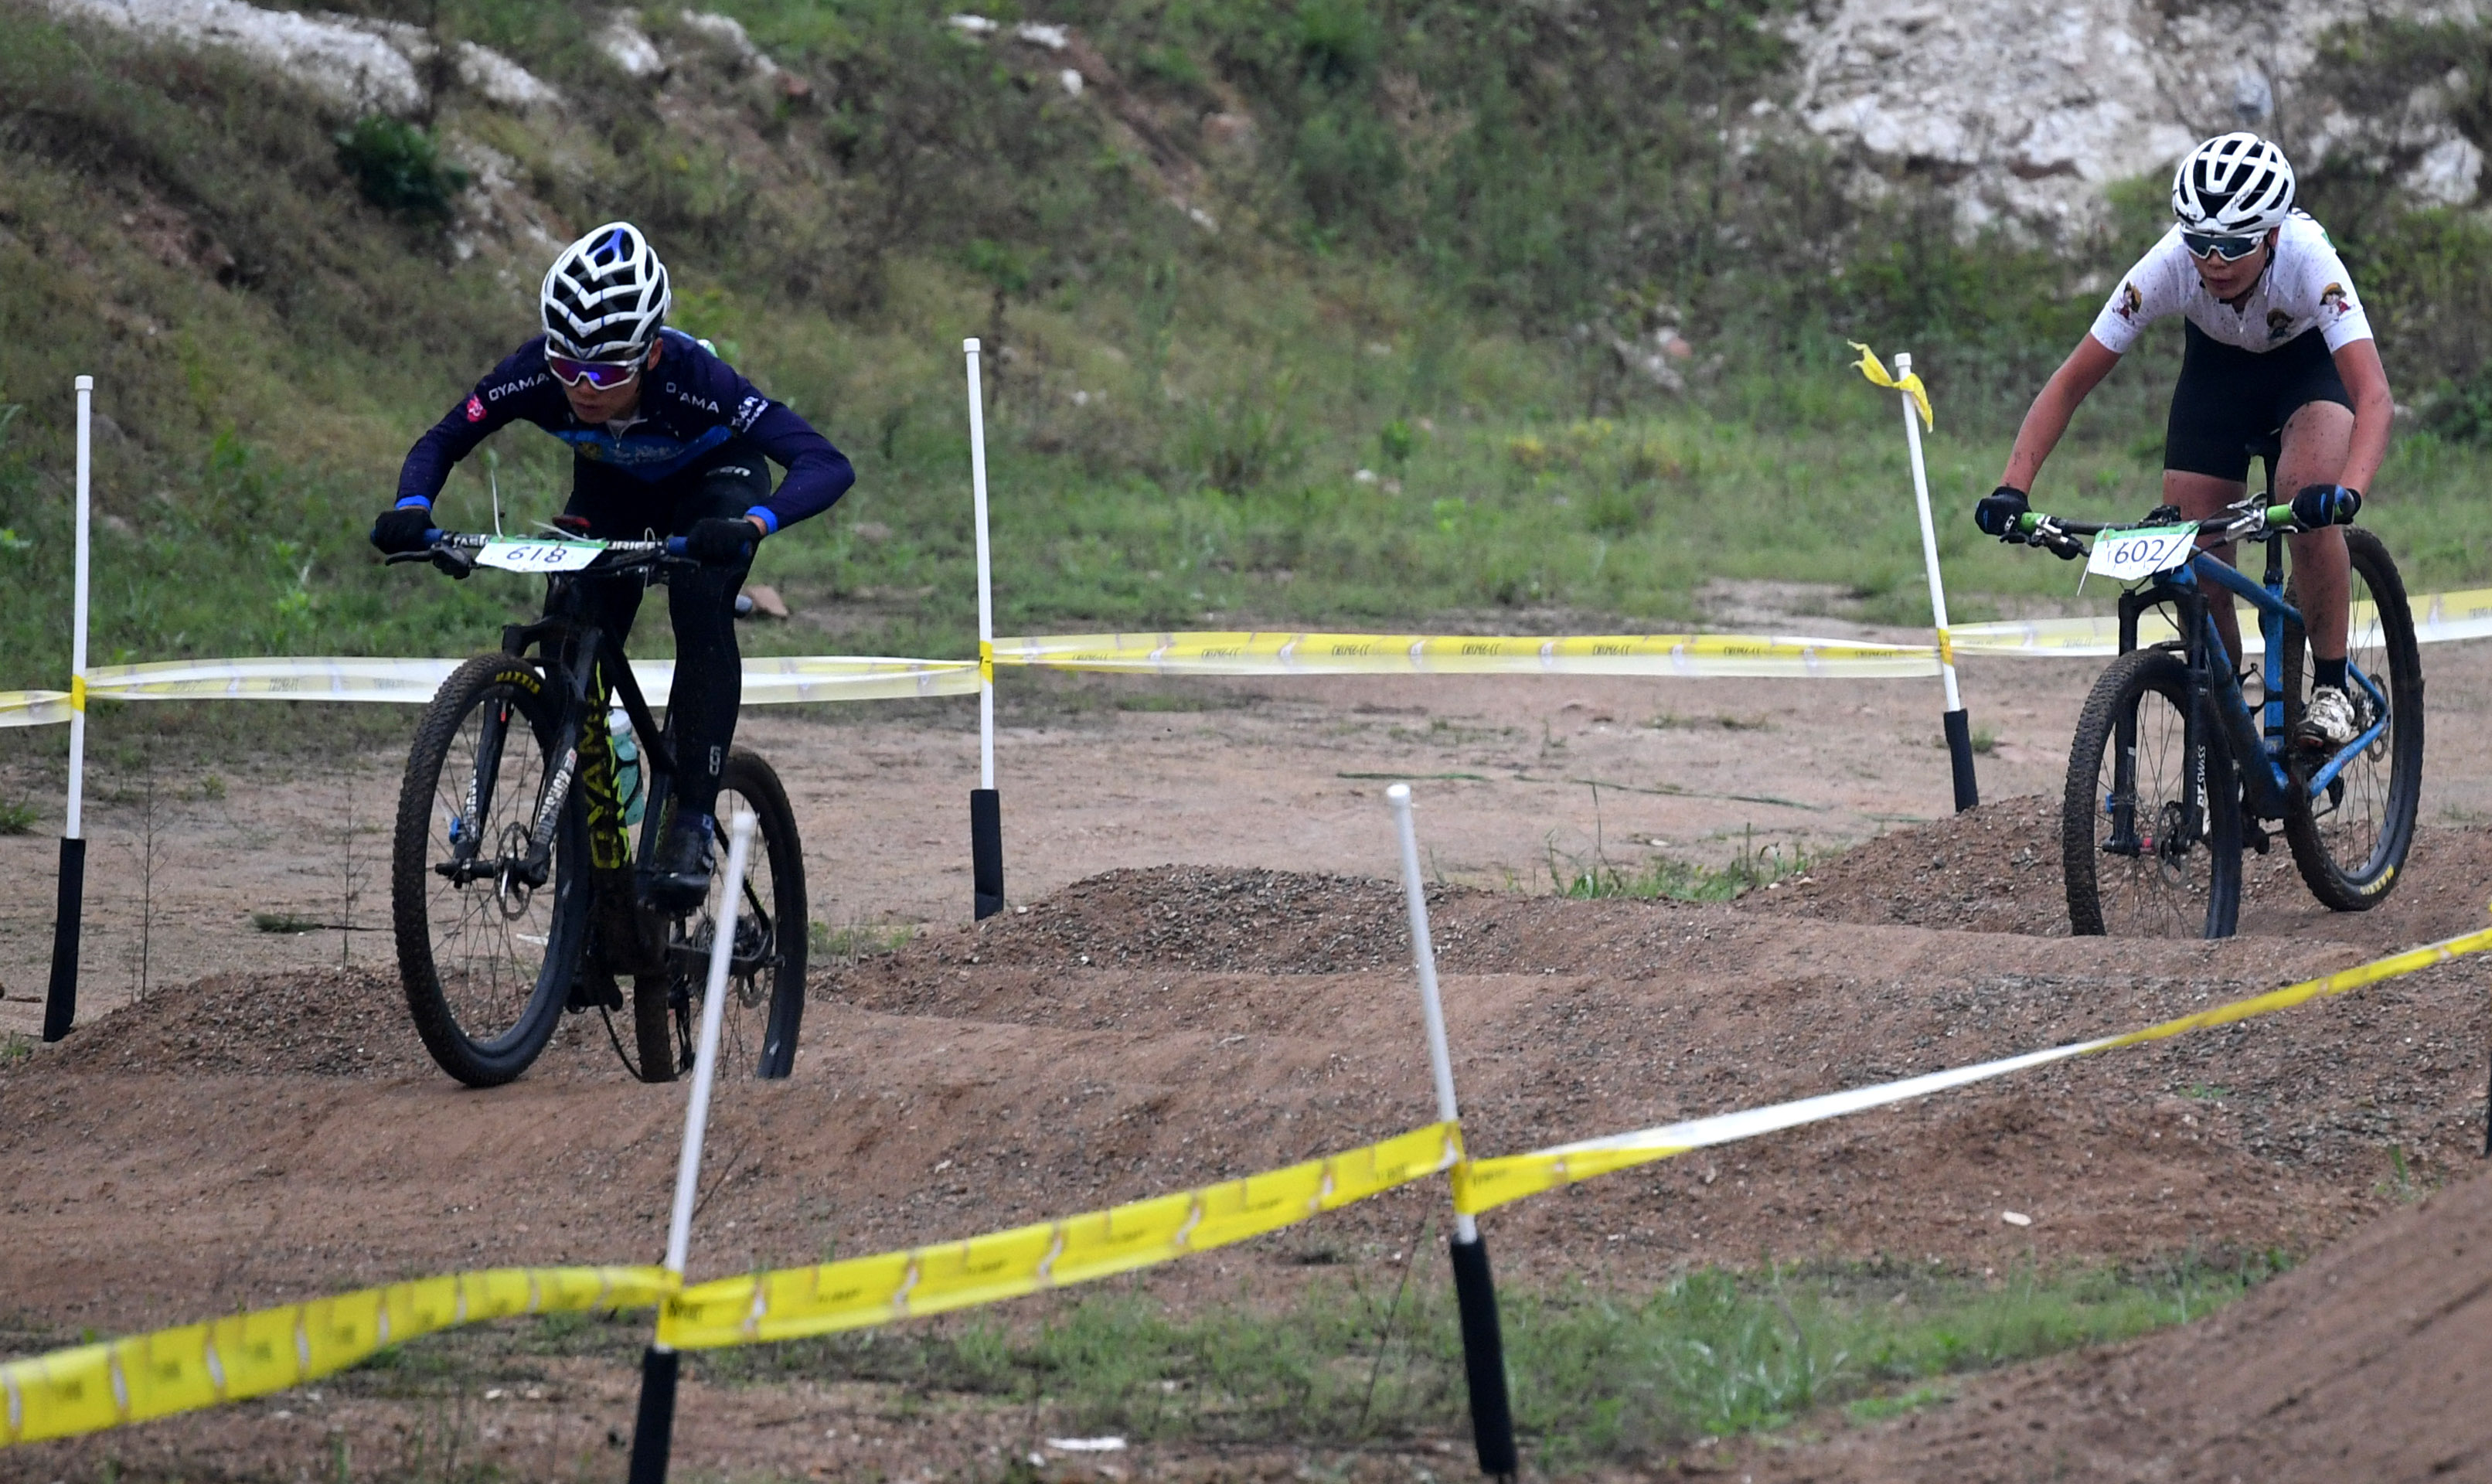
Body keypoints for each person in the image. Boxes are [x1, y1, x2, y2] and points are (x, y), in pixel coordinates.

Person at [372, 222, 853, 906]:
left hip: (713, 486)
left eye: (604, 372)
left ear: (651, 353)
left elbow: (826, 463)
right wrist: (414, 507)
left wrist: (752, 523)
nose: (582, 388)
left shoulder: (696, 378)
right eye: (568, 367)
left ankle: (690, 819)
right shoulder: (535, 371)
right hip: (612, 497)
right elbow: (445, 437)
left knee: (699, 598)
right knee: (569, 629)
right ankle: (591, 804)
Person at [1975, 132, 2391, 753]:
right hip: (2217, 376)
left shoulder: (2310, 261)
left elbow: (2375, 397)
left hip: (2308, 368)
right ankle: (2234, 727)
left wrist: (2347, 495)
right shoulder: (2167, 266)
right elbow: (2070, 383)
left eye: (2232, 246)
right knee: (2196, 555)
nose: (2213, 261)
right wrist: (2014, 486)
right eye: (2200, 243)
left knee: (2304, 498)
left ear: (2272, 236)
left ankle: (2332, 688)